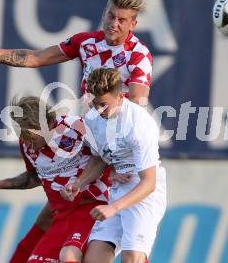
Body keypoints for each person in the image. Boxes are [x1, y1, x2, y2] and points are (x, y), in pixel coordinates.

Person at [0, 0, 154, 262]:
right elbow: (38, 58)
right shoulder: (86, 42)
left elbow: (136, 110)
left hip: (120, 157)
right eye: (111, 15)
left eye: (122, 19)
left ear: (133, 23)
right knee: (57, 207)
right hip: (94, 140)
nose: (113, 23)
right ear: (104, 13)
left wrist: (115, 161)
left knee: (120, 250)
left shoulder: (138, 56)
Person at [0, 96, 112, 263]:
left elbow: (105, 154)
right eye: (23, 133)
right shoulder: (27, 145)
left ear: (49, 123)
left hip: (91, 208)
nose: (27, 140)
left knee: (70, 256)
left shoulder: (76, 127)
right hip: (62, 215)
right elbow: (34, 177)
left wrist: (79, 183)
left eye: (32, 136)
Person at [61, 68, 167, 263]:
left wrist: (113, 208)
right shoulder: (93, 119)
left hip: (143, 195)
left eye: (103, 104)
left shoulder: (138, 124)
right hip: (118, 191)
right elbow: (100, 158)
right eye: (95, 104)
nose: (99, 109)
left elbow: (149, 183)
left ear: (120, 97)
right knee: (93, 259)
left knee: (132, 258)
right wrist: (79, 183)